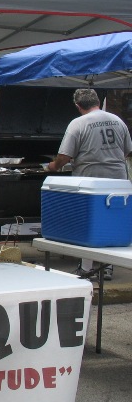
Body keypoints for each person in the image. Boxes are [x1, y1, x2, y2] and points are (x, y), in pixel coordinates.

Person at [46, 88, 132, 280]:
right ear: (98, 102)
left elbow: (64, 157)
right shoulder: (118, 121)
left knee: (88, 223)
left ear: (78, 106)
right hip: (118, 181)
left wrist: (53, 166)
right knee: (111, 222)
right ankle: (107, 268)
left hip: (90, 181)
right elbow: (127, 151)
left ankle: (86, 269)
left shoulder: (78, 124)